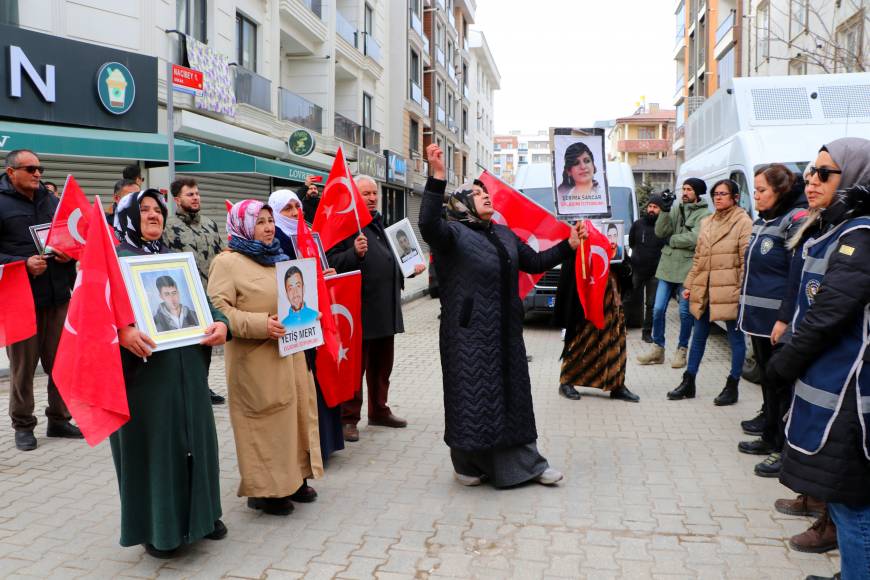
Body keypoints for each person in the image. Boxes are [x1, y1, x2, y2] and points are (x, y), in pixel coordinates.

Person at [420, 143, 581, 488]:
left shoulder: (504, 234)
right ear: (461, 203)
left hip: (506, 332)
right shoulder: (452, 234)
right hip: (467, 335)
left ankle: (528, 463)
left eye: (485, 192)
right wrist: (436, 179)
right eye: (477, 194)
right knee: (472, 401)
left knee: (512, 397)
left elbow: (535, 263)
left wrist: (568, 246)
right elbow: (427, 224)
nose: (486, 196)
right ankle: (466, 464)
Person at [766, 138, 870, 580]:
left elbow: (831, 311)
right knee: (846, 500)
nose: (811, 180)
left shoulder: (860, 235)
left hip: (851, 393)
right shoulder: (837, 229)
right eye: (810, 172)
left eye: (824, 173)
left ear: (853, 178)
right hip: (830, 382)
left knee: (852, 506)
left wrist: (786, 362)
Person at [111, 189, 229, 559]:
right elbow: (88, 317)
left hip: (189, 371)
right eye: (143, 210)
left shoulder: (176, 258)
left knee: (198, 443)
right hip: (143, 380)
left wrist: (222, 324)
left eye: (157, 210)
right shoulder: (112, 262)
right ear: (128, 217)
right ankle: (158, 528)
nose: (152, 216)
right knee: (156, 451)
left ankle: (205, 517)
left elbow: (204, 302)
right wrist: (122, 332)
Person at [208, 199, 323, 515]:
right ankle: (264, 490)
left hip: (290, 353)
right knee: (265, 423)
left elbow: (293, 299)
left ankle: (295, 477)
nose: (269, 227)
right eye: (260, 222)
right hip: (255, 357)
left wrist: (310, 313)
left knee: (296, 416)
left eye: (270, 220)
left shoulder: (279, 258)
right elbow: (219, 309)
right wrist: (260, 324)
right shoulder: (227, 262)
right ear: (244, 226)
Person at [327, 175, 425, 442]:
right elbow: (329, 262)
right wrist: (354, 254)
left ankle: (379, 410)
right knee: (355, 368)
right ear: (354, 196)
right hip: (359, 310)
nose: (371, 197)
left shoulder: (380, 224)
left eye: (374, 193)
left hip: (385, 309)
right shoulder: (344, 226)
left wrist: (410, 271)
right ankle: (348, 418)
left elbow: (389, 262)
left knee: (383, 367)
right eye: (365, 193)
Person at [0, 150, 81, 451]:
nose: (37, 173)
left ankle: (58, 419)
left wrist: (68, 253)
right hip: (21, 300)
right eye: (30, 168)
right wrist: (23, 263)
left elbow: (74, 238)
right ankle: (23, 425)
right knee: (23, 368)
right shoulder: (1, 203)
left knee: (62, 362)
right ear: (11, 172)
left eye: (40, 168)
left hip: (58, 296)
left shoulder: (52, 202)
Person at [735, 164, 807, 478]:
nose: (758, 196)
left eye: (762, 190)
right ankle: (769, 436)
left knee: (780, 385)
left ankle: (782, 447)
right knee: (767, 381)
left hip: (776, 323)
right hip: (756, 319)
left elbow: (796, 276)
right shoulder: (764, 222)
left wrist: (783, 318)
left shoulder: (795, 220)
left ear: (779, 191)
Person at [268, 188, 344, 463]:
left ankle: (326, 441)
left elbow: (314, 270)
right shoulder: (274, 238)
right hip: (291, 324)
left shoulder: (308, 233)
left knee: (319, 375)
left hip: (313, 318)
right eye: (286, 208)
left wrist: (324, 275)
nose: (293, 213)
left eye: (296, 207)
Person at [667, 179, 752, 405]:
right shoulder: (707, 222)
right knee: (699, 336)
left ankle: (732, 385)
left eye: (724, 193)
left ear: (735, 197)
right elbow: (699, 259)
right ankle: (689, 381)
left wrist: (741, 292)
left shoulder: (743, 222)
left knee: (735, 338)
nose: (718, 197)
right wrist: (690, 285)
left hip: (728, 291)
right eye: (716, 193)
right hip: (704, 288)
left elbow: (745, 261)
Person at [555, 225, 640, 403]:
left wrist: (622, 263)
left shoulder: (611, 232)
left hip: (611, 298)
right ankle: (567, 381)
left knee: (616, 340)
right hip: (587, 297)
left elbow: (625, 269)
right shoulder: (577, 232)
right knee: (581, 338)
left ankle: (616, 384)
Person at [163, 178, 226, 405]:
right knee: (184, 346)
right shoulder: (167, 226)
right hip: (183, 296)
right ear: (177, 199)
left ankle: (202, 385)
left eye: (197, 193)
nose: (196, 197)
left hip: (209, 294)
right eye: (190, 194)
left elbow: (220, 256)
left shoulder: (210, 224)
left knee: (205, 343)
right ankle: (182, 389)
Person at [636, 178, 710, 368]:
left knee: (685, 313)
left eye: (689, 189)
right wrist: (665, 212)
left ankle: (681, 350)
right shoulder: (675, 208)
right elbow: (660, 232)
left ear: (698, 193)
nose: (685, 192)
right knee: (658, 309)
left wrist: (672, 240)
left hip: (687, 269)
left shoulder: (705, 214)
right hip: (667, 267)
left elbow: (695, 238)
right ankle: (657, 349)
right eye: (683, 188)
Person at [628, 193, 666, 343]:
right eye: (650, 206)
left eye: (655, 207)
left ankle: (647, 332)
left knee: (651, 305)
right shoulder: (638, 224)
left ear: (661, 210)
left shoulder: (663, 227)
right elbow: (632, 243)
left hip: (655, 272)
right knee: (629, 299)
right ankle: (621, 328)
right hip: (637, 270)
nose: (651, 209)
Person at [556, 142, 606, 213]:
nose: (583, 166)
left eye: (587, 161)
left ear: (593, 165)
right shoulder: (562, 200)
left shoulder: (604, 196)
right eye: (576, 163)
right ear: (569, 171)